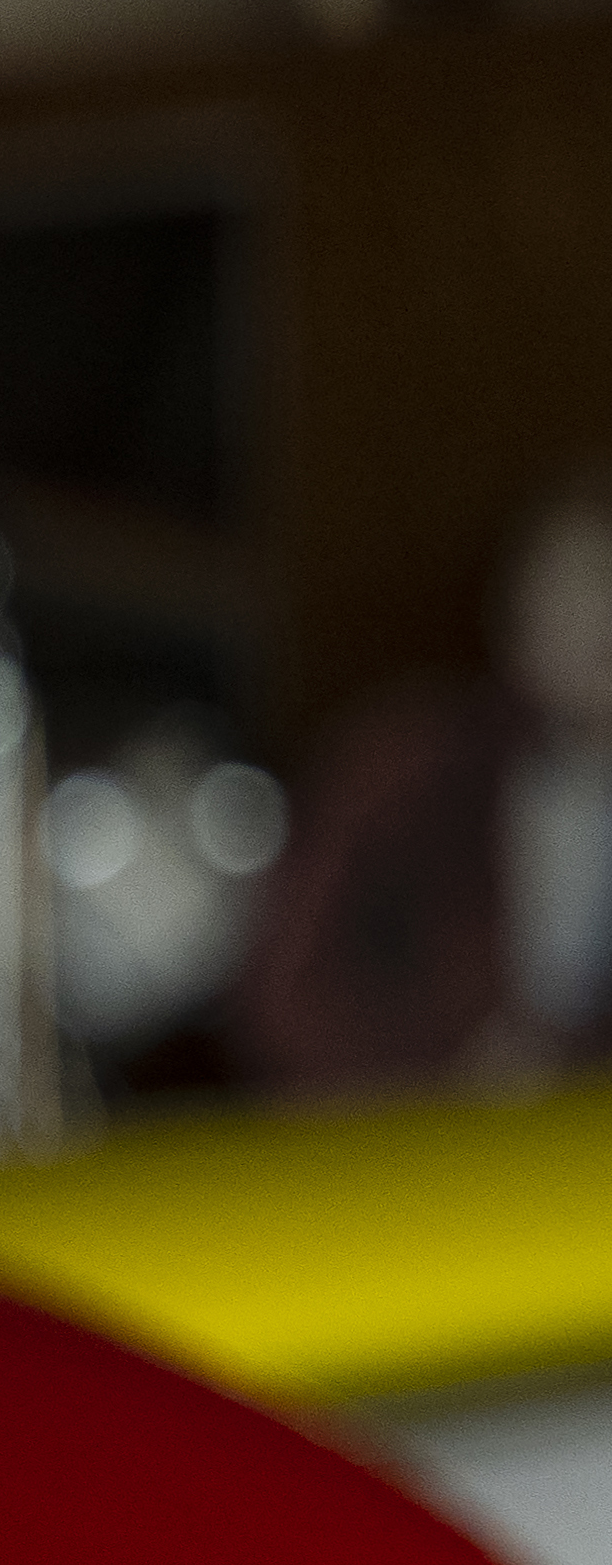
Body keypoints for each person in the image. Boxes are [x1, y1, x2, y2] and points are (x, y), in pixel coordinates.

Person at [238, 466, 612, 1098]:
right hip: (400, 1155)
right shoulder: (407, 767)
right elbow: (283, 987)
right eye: (551, 579)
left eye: (593, 583)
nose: (563, 607)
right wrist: (442, 1074)